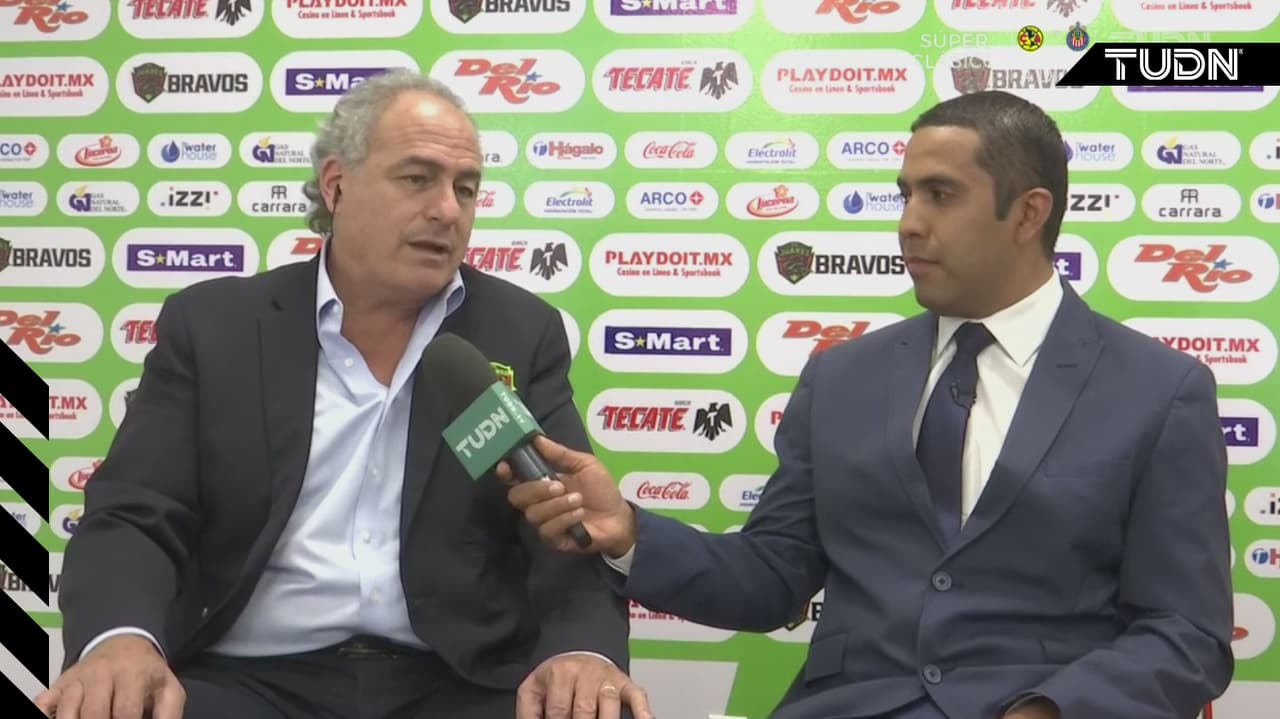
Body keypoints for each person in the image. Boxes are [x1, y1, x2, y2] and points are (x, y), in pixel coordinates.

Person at [503, 90, 1233, 719]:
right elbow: (771, 580)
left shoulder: (1158, 391)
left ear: (1027, 213)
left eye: (940, 195)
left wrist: (1048, 710)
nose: (909, 222)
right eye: (905, 194)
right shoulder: (841, 378)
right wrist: (629, 531)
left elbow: (1187, 633)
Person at [42, 69, 651, 719]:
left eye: (465, 187)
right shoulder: (216, 327)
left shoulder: (518, 332)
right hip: (247, 680)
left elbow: (567, 524)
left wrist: (582, 650)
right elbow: (136, 512)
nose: (448, 210)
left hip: (455, 679)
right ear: (336, 185)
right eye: (417, 178)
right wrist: (119, 641)